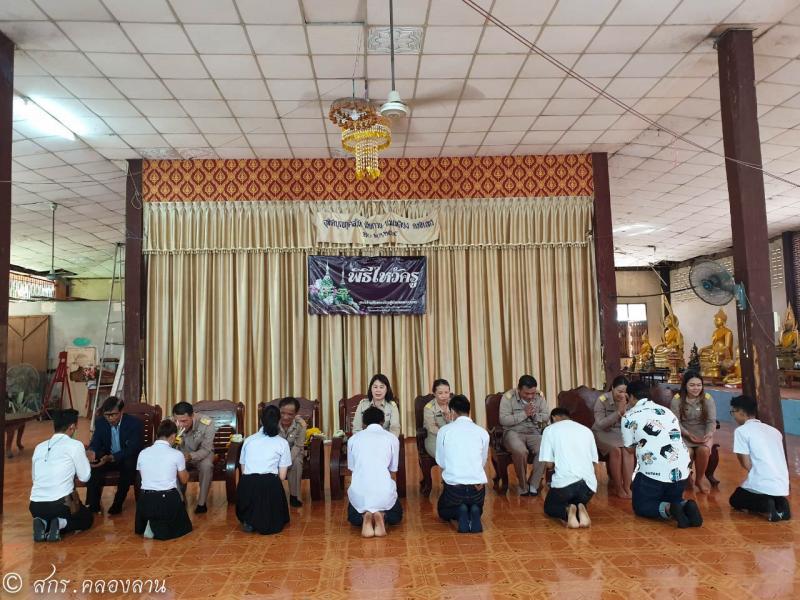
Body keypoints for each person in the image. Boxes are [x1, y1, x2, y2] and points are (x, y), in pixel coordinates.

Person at [622, 380, 702, 528]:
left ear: (630, 396)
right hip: (681, 472)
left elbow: (629, 449)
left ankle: (669, 509)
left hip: (652, 474)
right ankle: (683, 505)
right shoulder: (666, 411)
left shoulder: (629, 416)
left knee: (641, 506)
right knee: (672, 497)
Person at [29, 409, 93, 542]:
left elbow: (35, 479)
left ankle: (42, 522)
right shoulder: (75, 445)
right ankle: (60, 523)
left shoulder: (39, 447)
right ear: (72, 427)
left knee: (48, 514)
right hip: (61, 505)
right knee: (86, 519)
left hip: (35, 506)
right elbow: (85, 477)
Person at [728, 395, 791, 522]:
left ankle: (766, 504)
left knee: (735, 499)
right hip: (782, 484)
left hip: (761, 482)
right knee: (770, 492)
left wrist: (756, 472)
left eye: (733, 412)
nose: (733, 416)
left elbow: (745, 463)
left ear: (741, 412)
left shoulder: (741, 431)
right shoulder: (774, 431)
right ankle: (781, 502)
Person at [435, 394, 489, 533]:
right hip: (477, 489)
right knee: (476, 505)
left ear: (452, 411)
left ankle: (460, 511)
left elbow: (441, 461)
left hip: (455, 489)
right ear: (469, 410)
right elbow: (482, 461)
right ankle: (475, 509)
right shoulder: (482, 432)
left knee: (443, 510)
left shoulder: (444, 431)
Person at [347, 406, 403, 537]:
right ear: (382, 421)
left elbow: (352, 468)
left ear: (363, 423)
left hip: (360, 492)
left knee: (353, 517)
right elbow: (393, 469)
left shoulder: (353, 439)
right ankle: (381, 515)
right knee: (396, 516)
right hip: (383, 492)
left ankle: (364, 517)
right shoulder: (392, 438)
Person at [237, 405, 292, 535]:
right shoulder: (282, 443)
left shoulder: (248, 440)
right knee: (272, 485)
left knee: (252, 485)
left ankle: (249, 520)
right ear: (278, 421)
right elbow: (282, 476)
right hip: (268, 485)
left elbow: (244, 470)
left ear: (261, 421)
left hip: (247, 485)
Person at [541, 407, 599, 529]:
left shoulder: (550, 430)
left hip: (565, 485)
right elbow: (594, 462)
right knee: (576, 499)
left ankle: (567, 511)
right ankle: (580, 508)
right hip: (588, 487)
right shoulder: (586, 430)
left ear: (554, 418)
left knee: (550, 507)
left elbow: (549, 464)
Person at [85, 396, 143, 515]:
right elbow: (96, 442)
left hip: (125, 457)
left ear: (121, 412)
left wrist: (112, 457)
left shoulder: (134, 423)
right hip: (107, 457)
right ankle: (93, 505)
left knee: (129, 464)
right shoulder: (100, 422)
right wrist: (91, 451)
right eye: (107, 415)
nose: (110, 418)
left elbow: (133, 448)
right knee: (94, 466)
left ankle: (118, 503)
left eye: (114, 414)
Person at [135, 420, 192, 540]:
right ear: (173, 436)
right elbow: (184, 480)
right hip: (165, 501)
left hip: (145, 500)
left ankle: (150, 523)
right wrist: (185, 470)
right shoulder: (177, 454)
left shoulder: (142, 453)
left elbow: (142, 476)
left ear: (157, 435)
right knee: (185, 528)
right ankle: (156, 527)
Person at [499, 374, 548, 496]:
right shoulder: (508, 397)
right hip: (513, 432)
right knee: (520, 451)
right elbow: (503, 420)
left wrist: (535, 415)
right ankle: (523, 485)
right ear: (519, 389)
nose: (530, 396)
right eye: (527, 393)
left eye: (533, 393)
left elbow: (546, 417)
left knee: (545, 448)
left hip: (534, 432)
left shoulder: (539, 396)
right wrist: (524, 414)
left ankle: (533, 484)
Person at [670, 371, 716, 493]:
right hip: (684, 433)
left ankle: (699, 479)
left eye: (699, 385)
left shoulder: (707, 398)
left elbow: (711, 421)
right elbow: (675, 422)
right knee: (688, 452)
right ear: (685, 385)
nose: (696, 388)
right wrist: (687, 434)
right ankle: (687, 477)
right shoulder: (677, 399)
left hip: (703, 433)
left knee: (704, 450)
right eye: (692, 385)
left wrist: (709, 433)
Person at [592, 376, 635, 498]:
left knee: (628, 450)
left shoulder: (630, 400)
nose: (622, 395)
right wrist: (618, 413)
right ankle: (618, 487)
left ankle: (627, 486)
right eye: (619, 391)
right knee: (616, 450)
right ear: (612, 388)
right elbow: (600, 424)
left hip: (621, 433)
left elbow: (633, 422)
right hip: (602, 432)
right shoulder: (602, 400)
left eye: (625, 392)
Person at [173, 402, 216, 513]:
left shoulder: (206, 423)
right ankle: (180, 500)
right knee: (171, 465)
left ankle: (202, 503)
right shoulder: (170, 423)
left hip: (202, 454)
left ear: (192, 416)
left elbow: (206, 449)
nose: (180, 425)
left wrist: (190, 456)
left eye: (184, 421)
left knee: (207, 466)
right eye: (177, 421)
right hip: (181, 454)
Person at [277, 397, 307, 508]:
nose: (285, 417)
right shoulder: (273, 422)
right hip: (277, 453)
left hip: (294, 452)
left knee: (296, 463)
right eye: (282, 413)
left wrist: (287, 461)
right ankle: (274, 495)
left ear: (295, 414)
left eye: (290, 414)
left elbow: (298, 445)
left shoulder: (301, 425)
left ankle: (295, 496)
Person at [423, 379, 453, 457]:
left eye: (446, 392)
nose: (444, 396)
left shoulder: (454, 404)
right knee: (446, 456)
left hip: (453, 438)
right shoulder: (429, 408)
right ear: (434, 394)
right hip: (435, 439)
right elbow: (432, 428)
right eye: (440, 393)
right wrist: (447, 434)